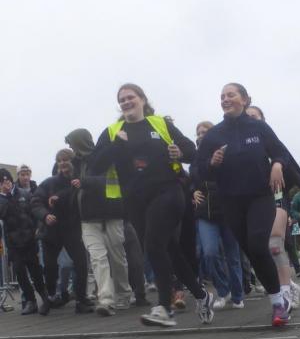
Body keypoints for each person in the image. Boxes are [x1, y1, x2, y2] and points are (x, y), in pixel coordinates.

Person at [91, 83, 214, 326]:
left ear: (142, 100)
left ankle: (164, 307)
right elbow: (95, 166)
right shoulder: (112, 132)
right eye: (122, 99)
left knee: (154, 246)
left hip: (168, 192)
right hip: (135, 201)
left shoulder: (159, 124)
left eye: (130, 97)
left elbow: (191, 150)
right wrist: (117, 146)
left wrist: (179, 152)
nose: (126, 102)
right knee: (169, 251)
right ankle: (202, 296)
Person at [197, 83, 292, 326]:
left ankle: (279, 303)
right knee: (251, 251)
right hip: (230, 200)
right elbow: (198, 171)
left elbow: (280, 152)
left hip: (260, 196)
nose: (225, 99)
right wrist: (212, 163)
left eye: (231, 95)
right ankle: (280, 295)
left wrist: (277, 165)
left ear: (245, 99)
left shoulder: (258, 127)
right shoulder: (214, 135)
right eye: (222, 96)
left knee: (258, 247)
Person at [244, 104, 300, 310]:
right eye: (248, 117)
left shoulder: (273, 144)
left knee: (275, 244)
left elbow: (295, 169)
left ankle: (286, 293)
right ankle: (291, 285)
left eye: (255, 116)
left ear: (263, 119)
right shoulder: (242, 145)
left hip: (277, 197)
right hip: (254, 201)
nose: (251, 120)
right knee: (261, 250)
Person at [66, 128, 133, 316]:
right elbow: (75, 186)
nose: (70, 147)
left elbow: (112, 181)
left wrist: (85, 182)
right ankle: (106, 299)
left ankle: (123, 294)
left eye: (71, 142)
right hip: (87, 218)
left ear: (80, 142)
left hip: (111, 213)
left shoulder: (103, 157)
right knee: (97, 258)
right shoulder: (75, 164)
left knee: (117, 256)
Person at [31, 149, 94, 313]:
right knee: (50, 267)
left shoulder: (78, 181)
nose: (62, 163)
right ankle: (50, 297)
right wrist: (45, 216)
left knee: (81, 264)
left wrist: (60, 196)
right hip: (52, 231)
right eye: (59, 161)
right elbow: (36, 202)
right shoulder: (48, 182)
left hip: (73, 229)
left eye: (66, 160)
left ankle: (81, 299)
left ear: (72, 162)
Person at [191, 120, 244, 310]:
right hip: (205, 212)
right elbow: (191, 179)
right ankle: (223, 291)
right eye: (198, 131)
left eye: (205, 131)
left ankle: (237, 295)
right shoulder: (196, 158)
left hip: (228, 209)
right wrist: (191, 191)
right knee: (210, 253)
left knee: (233, 256)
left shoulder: (226, 152)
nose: (201, 134)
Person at [0, 168, 50, 315]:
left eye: (7, 180)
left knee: (35, 271)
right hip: (13, 243)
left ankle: (45, 298)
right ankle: (30, 300)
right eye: (2, 182)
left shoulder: (24, 194)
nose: (6, 183)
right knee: (19, 271)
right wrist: (6, 197)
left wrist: (39, 228)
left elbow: (35, 212)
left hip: (29, 239)